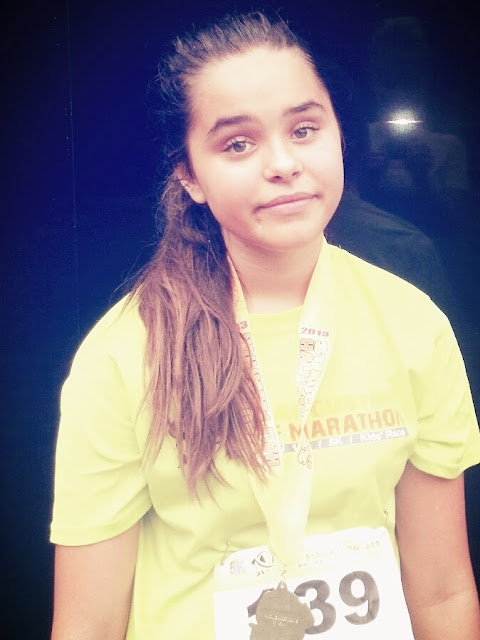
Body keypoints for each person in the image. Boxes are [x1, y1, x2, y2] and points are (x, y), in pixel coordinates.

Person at [50, 12, 480, 640]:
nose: (283, 163)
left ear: (339, 137)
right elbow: (88, 622)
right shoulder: (124, 355)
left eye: (305, 129)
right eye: (237, 144)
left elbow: (442, 592)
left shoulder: (416, 326)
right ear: (189, 175)